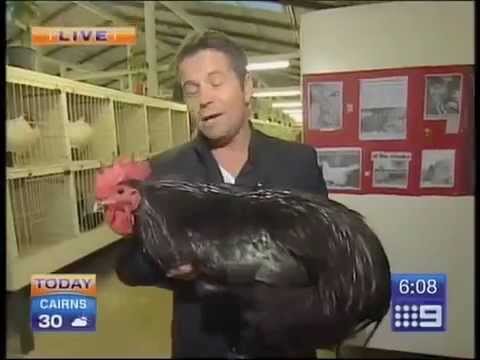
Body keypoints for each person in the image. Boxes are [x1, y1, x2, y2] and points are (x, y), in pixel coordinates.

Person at [115, 30, 328, 358]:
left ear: (247, 87)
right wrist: (164, 261)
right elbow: (129, 268)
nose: (204, 98)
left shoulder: (297, 163)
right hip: (202, 345)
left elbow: (325, 256)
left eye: (216, 82)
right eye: (192, 89)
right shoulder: (166, 171)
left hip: (282, 345)